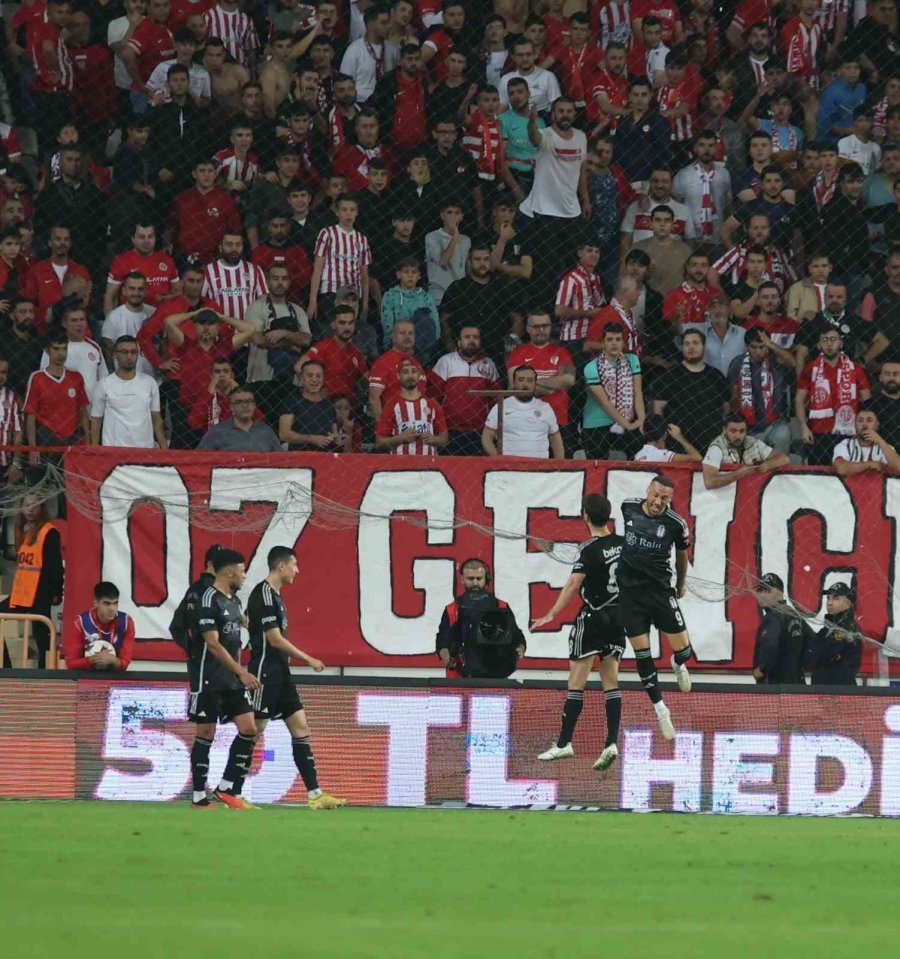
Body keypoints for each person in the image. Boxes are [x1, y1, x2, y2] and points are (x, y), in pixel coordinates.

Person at [245, 546, 346, 809]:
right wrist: (309, 659)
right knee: (253, 731)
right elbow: (274, 639)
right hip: (266, 671)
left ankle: (315, 794)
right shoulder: (264, 593)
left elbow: (250, 622)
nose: (297, 570)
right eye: (294, 565)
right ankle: (232, 789)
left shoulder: (275, 596)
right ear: (281, 567)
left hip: (281, 673)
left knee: (301, 728)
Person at [530, 493, 625, 771]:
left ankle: (564, 743)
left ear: (584, 515)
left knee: (577, 681)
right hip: (619, 617)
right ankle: (610, 742)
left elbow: (573, 584)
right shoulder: (623, 545)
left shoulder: (588, 548)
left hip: (593, 616)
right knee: (611, 681)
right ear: (608, 516)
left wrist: (551, 613)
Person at [617, 476, 694, 740]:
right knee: (642, 654)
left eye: (665, 499)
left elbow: (683, 556)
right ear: (647, 490)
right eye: (656, 495)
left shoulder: (676, 524)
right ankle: (661, 711)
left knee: (685, 649)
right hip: (630, 595)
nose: (659, 502)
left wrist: (680, 584)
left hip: (660, 592)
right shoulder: (628, 507)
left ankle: (677, 663)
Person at [189, 548, 259, 810]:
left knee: (249, 728)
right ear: (229, 572)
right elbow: (213, 645)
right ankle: (198, 797)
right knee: (206, 732)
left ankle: (226, 788)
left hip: (231, 680)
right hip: (208, 678)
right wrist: (241, 671)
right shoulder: (208, 600)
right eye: (242, 571)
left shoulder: (234, 601)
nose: (244, 576)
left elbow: (245, 623)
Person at [435, 558, 526, 679]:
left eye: (479, 578)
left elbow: (515, 634)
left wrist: (521, 647)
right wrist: (444, 652)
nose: (475, 583)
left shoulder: (501, 606)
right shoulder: (452, 610)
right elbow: (442, 639)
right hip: (459, 680)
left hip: (495, 677)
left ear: (486, 579)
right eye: (470, 579)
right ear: (462, 579)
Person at [1, 493, 63, 669]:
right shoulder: (26, 531)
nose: (30, 509)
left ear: (42, 508)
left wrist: (57, 592)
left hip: (39, 595)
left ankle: (45, 675)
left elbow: (55, 566)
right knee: (41, 636)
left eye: (34, 505)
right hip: (21, 595)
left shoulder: (49, 532)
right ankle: (5, 667)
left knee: (42, 638)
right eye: (27, 505)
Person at [796, 330, 871, 465]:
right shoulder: (810, 368)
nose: (829, 344)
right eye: (824, 340)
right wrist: (803, 426)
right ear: (819, 345)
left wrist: (864, 427)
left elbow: (867, 400)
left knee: (847, 475)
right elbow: (799, 400)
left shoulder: (855, 368)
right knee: (819, 476)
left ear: (841, 343)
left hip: (849, 431)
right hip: (819, 432)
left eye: (833, 339)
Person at [653, 329, 730, 452]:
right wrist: (660, 438)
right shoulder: (670, 375)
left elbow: (726, 409)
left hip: (711, 444)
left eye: (695, 343)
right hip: (677, 445)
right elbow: (658, 411)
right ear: (682, 347)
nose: (691, 347)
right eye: (687, 344)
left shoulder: (716, 376)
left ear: (703, 347)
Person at [430, 325, 502, 456]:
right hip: (450, 431)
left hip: (480, 432)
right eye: (467, 337)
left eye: (475, 337)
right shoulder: (446, 361)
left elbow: (497, 400)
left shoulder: (489, 364)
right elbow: (433, 397)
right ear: (459, 342)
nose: (471, 340)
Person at [90, 336, 166, 450]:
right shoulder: (103, 384)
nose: (129, 356)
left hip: (145, 450)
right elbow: (96, 420)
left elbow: (156, 419)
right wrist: (94, 450)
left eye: (133, 352)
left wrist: (164, 448)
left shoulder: (150, 383)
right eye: (124, 352)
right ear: (114, 354)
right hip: (114, 451)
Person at [582, 323, 644, 460]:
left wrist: (641, 420)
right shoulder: (591, 367)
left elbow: (638, 393)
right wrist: (627, 424)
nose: (614, 344)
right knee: (598, 469)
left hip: (628, 417)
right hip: (597, 422)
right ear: (603, 343)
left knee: (637, 458)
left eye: (618, 339)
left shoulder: (632, 360)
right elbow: (604, 403)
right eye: (609, 340)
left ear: (623, 342)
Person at [727, 328, 794, 455]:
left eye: (762, 347)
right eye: (753, 347)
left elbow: (792, 362)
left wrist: (771, 345)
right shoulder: (737, 364)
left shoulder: (776, 360)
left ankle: (779, 470)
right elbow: (733, 396)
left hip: (775, 423)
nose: (758, 352)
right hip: (748, 427)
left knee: (783, 434)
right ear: (746, 346)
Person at [24, 331, 91, 453]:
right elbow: (30, 415)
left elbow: (82, 411)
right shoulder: (37, 378)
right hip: (46, 440)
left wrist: (87, 442)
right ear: (47, 351)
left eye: (64, 349)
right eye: (56, 349)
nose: (61, 354)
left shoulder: (76, 377)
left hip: (73, 440)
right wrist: (32, 448)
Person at [482, 365, 564, 459]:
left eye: (530, 380)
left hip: (539, 469)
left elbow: (556, 439)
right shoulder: (501, 406)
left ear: (535, 384)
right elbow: (487, 436)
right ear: (514, 383)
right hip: (509, 468)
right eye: (521, 380)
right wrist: (498, 457)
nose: (525, 384)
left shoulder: (545, 408)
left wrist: (560, 464)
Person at [375, 358, 448, 456]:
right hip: (399, 464)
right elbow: (379, 442)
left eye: (413, 371)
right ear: (398, 376)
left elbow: (444, 439)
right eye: (405, 372)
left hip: (428, 464)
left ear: (419, 375)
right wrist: (400, 438)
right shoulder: (391, 405)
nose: (410, 376)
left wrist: (434, 439)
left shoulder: (432, 404)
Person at [701, 412, 789, 489]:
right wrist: (738, 475)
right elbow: (709, 482)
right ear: (724, 430)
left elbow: (784, 458)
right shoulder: (716, 447)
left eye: (742, 431)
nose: (738, 436)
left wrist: (767, 465)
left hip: (752, 492)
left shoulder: (753, 442)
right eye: (733, 431)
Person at [64, 581, 135, 672]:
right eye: (107, 604)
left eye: (115, 603)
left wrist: (112, 660)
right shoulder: (80, 624)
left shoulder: (126, 622)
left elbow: (125, 664)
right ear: (96, 603)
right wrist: (93, 659)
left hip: (115, 678)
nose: (112, 609)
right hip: (86, 678)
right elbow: (70, 664)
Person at [752, 574, 807, 685]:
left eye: (768, 591)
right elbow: (812, 641)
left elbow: (770, 646)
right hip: (797, 684)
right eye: (760, 591)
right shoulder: (794, 615)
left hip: (774, 685)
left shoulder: (772, 617)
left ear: (780, 592)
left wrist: (762, 669)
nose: (762, 595)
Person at [279, 360, 345, 452]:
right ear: (301, 378)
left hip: (325, 459)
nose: (314, 380)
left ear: (323, 379)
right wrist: (311, 439)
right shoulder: (291, 401)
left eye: (318, 376)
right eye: (310, 375)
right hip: (299, 459)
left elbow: (334, 434)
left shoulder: (329, 405)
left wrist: (336, 438)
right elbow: (284, 434)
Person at [806, 583, 862, 687]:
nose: (829, 603)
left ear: (848, 603)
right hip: (823, 691)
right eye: (828, 598)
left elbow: (826, 653)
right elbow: (811, 657)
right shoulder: (827, 629)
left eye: (836, 598)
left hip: (839, 693)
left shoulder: (849, 628)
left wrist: (819, 653)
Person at [197, 385, 282, 452]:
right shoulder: (218, 431)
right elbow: (199, 457)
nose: (245, 405)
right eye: (239, 402)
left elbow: (281, 459)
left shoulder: (266, 431)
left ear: (254, 405)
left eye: (249, 401)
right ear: (231, 407)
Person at [632, 205, 691, 296]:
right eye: (658, 220)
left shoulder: (684, 249)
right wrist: (643, 270)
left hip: (678, 301)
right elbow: (627, 277)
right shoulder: (638, 247)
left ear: (672, 224)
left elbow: (692, 278)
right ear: (651, 223)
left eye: (667, 220)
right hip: (647, 300)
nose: (662, 224)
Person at [832, 406, 900, 475]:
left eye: (869, 420)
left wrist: (880, 440)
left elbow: (898, 466)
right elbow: (841, 469)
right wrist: (869, 464)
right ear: (855, 425)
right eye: (860, 420)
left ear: (877, 425)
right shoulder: (845, 445)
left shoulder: (884, 446)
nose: (864, 425)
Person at [635, 417, 701, 463]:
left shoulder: (638, 455)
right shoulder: (662, 455)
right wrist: (679, 437)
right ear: (664, 435)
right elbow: (697, 457)